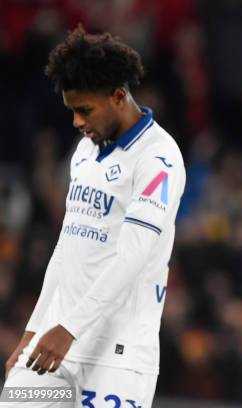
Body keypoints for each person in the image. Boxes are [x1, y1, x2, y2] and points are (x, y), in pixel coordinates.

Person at [2, 26, 185, 407]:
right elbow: (67, 247)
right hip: (53, 340)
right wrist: (33, 329)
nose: (77, 122)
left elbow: (132, 256)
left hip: (117, 355)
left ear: (119, 96)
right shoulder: (84, 151)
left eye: (84, 110)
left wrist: (69, 328)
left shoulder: (159, 160)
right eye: (72, 111)